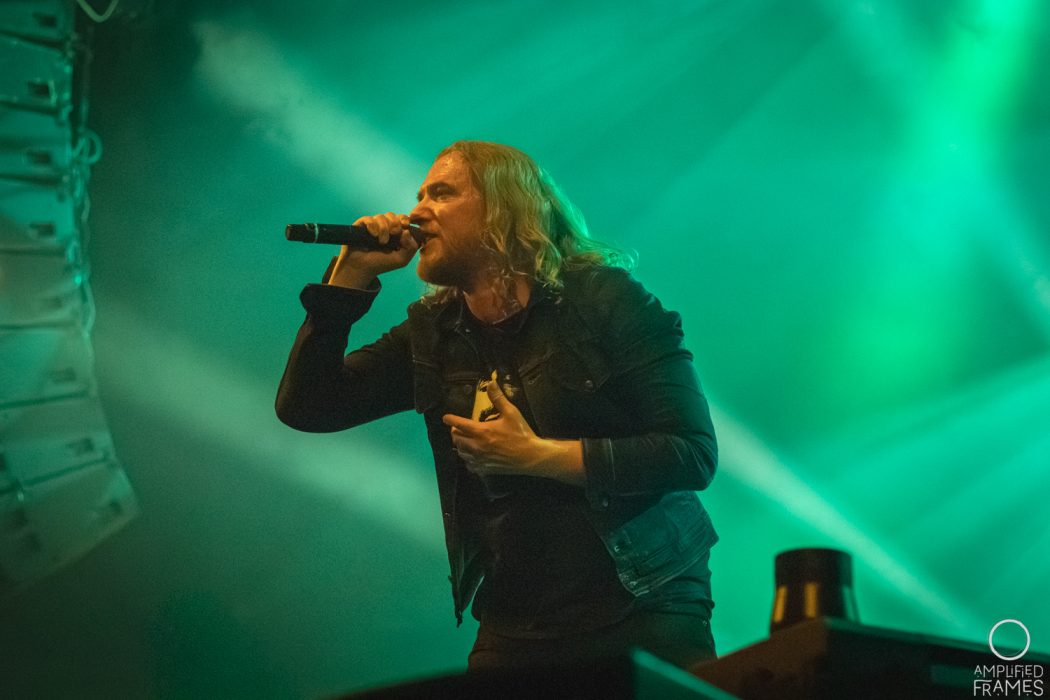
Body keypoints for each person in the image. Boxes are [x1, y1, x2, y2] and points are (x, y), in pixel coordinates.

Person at [276, 141, 719, 670]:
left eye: (441, 194)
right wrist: (348, 279)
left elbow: (691, 453)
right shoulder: (433, 332)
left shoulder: (604, 299)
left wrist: (538, 457)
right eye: (419, 196)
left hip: (644, 598)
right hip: (515, 618)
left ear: (502, 207)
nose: (418, 211)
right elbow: (308, 407)